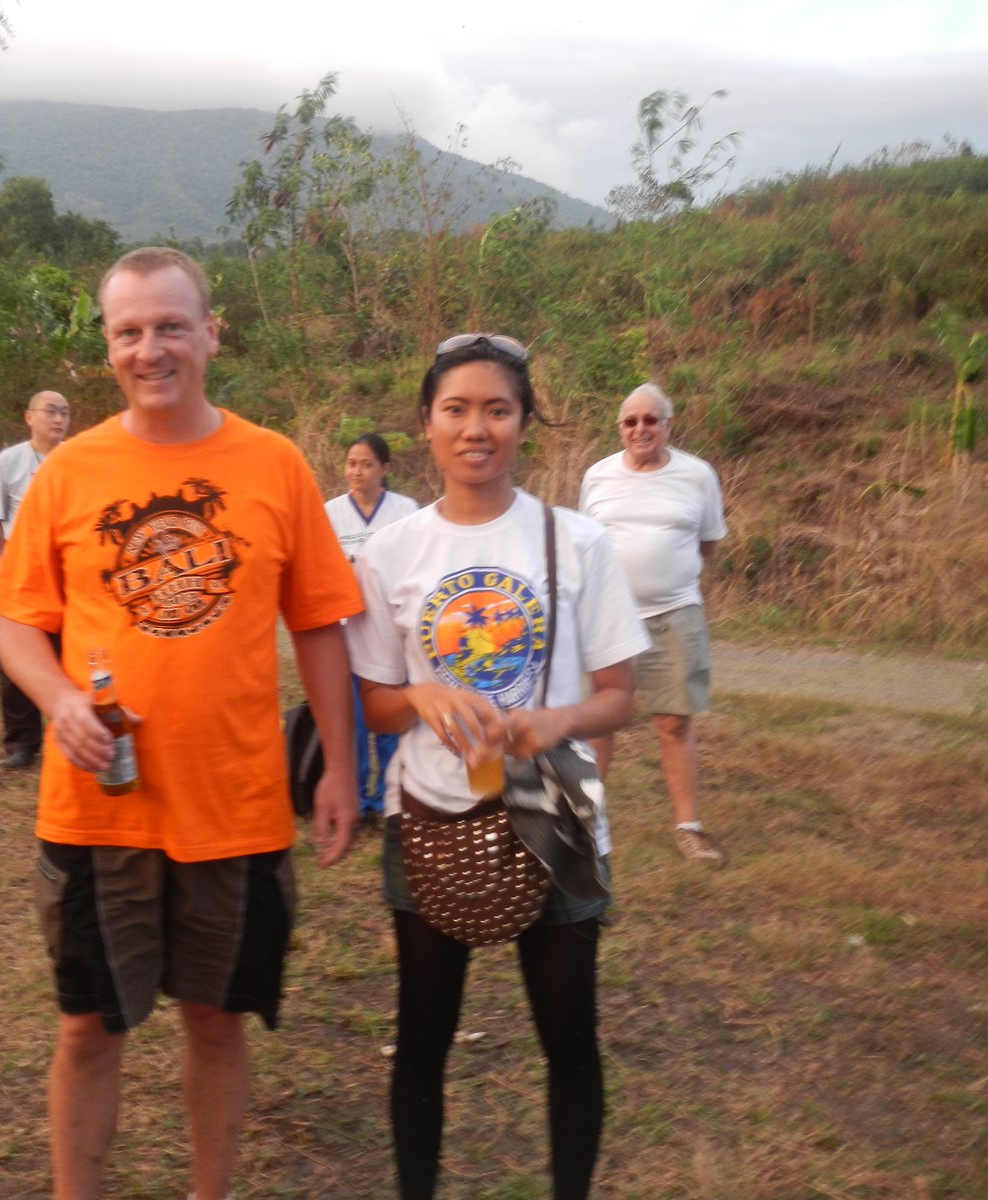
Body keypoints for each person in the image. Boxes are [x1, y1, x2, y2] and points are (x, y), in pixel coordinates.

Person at [0, 247, 362, 1200]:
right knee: (87, 1028)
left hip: (234, 803)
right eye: (129, 331)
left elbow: (320, 623)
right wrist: (61, 700)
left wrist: (339, 765)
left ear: (211, 334)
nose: (149, 349)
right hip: (97, 808)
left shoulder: (274, 464)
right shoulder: (70, 472)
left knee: (216, 1020)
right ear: (107, 346)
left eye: (169, 327)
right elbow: (16, 623)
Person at [346, 333, 647, 1200]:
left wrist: (555, 719)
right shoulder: (391, 552)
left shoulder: (576, 541)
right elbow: (376, 705)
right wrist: (422, 697)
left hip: (553, 802)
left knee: (570, 1036)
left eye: (497, 410)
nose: (475, 428)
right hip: (430, 809)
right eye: (456, 409)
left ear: (524, 422)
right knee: (423, 1036)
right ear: (427, 423)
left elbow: (620, 695)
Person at [578, 382, 729, 867]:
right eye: (631, 421)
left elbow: (708, 543)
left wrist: (668, 574)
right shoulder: (597, 476)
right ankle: (581, 823)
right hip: (607, 617)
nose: (640, 429)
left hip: (674, 613)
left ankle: (689, 829)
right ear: (620, 428)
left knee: (674, 723)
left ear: (667, 424)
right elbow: (586, 545)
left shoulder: (698, 475)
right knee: (599, 722)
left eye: (650, 420)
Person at [323, 432, 418, 821]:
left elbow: (413, 564)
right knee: (355, 719)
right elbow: (324, 568)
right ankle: (359, 799)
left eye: (365, 464)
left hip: (391, 626)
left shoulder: (405, 510)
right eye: (351, 463)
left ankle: (390, 797)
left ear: (384, 468)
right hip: (348, 628)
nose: (357, 471)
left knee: (392, 712)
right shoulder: (331, 513)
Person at [0, 390, 73, 768]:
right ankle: (21, 745)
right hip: (21, 574)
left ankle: (70, 735)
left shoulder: (76, 459)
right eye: (51, 411)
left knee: (70, 656)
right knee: (18, 660)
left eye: (65, 413)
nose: (59, 419)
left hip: (67, 572)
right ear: (29, 416)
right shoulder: (9, 461)